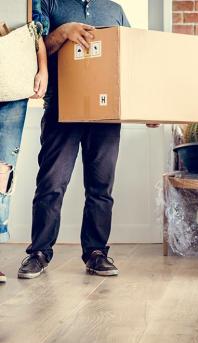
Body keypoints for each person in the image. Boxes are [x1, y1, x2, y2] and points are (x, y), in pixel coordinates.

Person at [18, 0, 158, 280]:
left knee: (100, 188)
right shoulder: (49, 3)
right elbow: (33, 49)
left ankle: (96, 253)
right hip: (61, 110)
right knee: (51, 184)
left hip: (106, 116)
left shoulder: (114, 10)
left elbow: (130, 61)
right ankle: (39, 252)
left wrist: (148, 106)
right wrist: (63, 31)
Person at [0, 0, 48, 283]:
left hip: (12, 91)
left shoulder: (29, 1)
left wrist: (43, 70)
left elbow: (36, 32)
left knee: (3, 172)